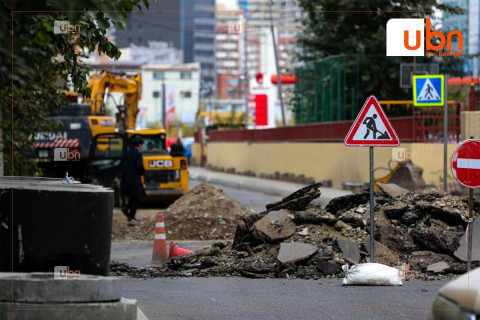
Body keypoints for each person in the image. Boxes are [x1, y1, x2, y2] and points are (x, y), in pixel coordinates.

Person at [120, 136, 145, 222]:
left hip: (126, 178)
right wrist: (143, 172)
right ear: (139, 144)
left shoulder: (127, 152)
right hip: (134, 178)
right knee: (137, 195)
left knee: (134, 195)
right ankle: (130, 214)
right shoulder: (137, 153)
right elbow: (140, 167)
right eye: (141, 145)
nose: (141, 146)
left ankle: (128, 210)